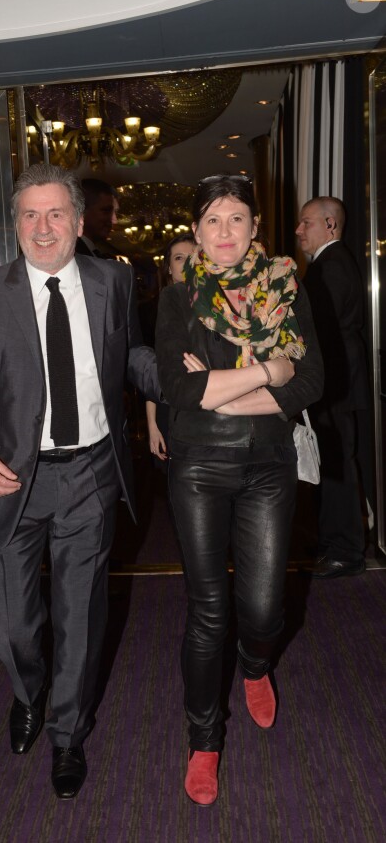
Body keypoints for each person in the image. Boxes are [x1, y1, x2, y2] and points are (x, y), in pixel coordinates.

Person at [0, 163, 160, 799]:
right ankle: (27, 693)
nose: (42, 227)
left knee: (80, 616)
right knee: (10, 625)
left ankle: (67, 735)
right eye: (29, 214)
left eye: (55, 213)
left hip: (89, 473)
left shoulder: (113, 279)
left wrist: (183, 380)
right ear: (16, 223)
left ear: (79, 222)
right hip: (11, 481)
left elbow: (132, 353)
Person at [155, 175, 323, 806]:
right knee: (208, 611)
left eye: (237, 219)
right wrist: (266, 372)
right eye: (212, 221)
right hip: (198, 467)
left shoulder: (286, 289)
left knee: (262, 608)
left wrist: (224, 391)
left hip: (269, 468)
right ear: (196, 231)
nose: (224, 232)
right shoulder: (177, 301)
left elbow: (309, 384)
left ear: (255, 229)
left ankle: (256, 663)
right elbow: (179, 390)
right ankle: (203, 742)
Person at [295, 197, 370, 577]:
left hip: (336, 384)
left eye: (305, 222)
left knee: (338, 469)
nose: (298, 230)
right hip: (337, 383)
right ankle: (332, 542)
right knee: (331, 466)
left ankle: (345, 551)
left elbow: (318, 332)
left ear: (330, 225)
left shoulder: (332, 265)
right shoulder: (330, 264)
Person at [146, 233, 197, 465]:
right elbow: (149, 371)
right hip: (169, 407)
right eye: (179, 258)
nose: (187, 263)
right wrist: (152, 425)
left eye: (192, 256)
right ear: (168, 267)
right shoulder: (154, 309)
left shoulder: (218, 306)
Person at [75, 178, 119, 258]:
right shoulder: (73, 255)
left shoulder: (87, 251)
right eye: (106, 211)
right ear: (81, 211)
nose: (115, 221)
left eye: (115, 212)